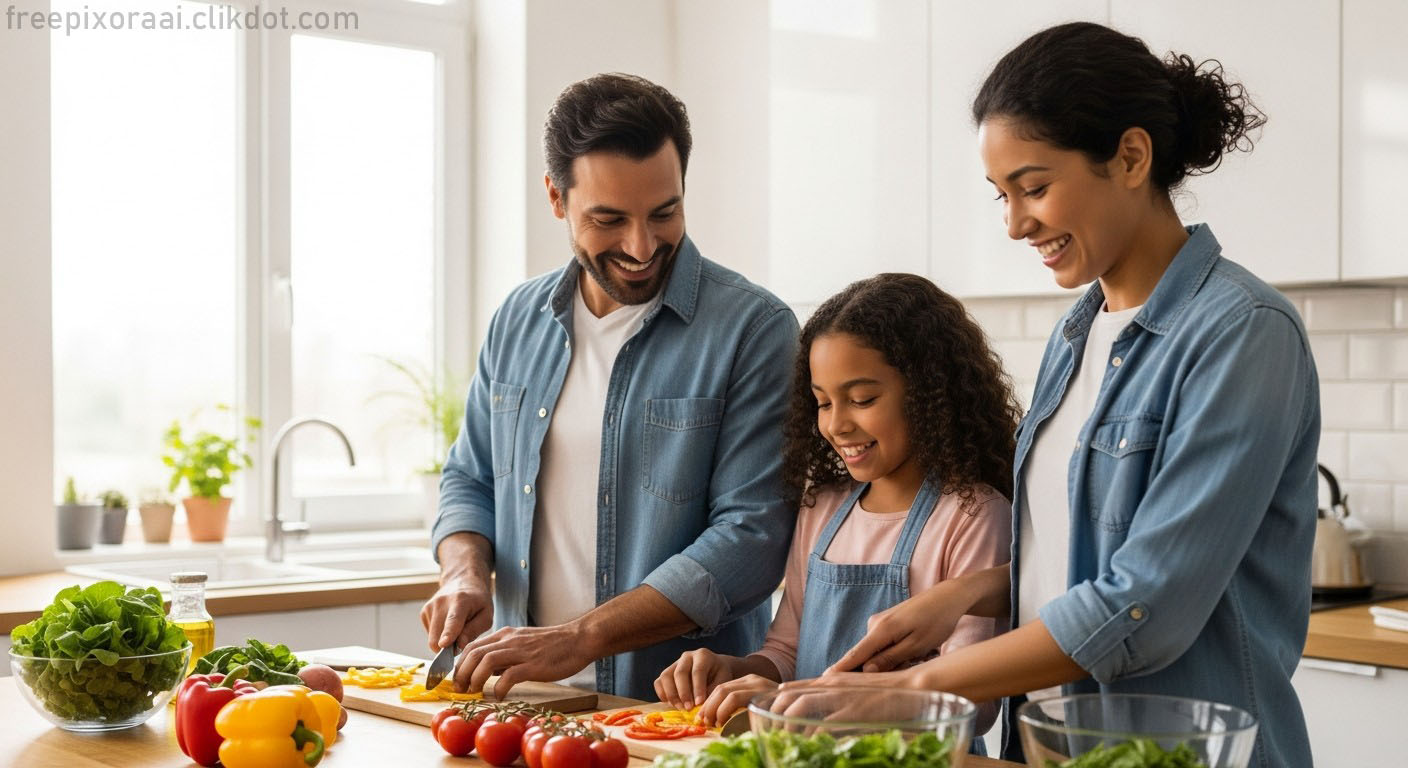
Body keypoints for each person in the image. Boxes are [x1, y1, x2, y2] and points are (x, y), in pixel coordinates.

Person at [808, 22, 1318, 767]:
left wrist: (920, 688)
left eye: (1035, 188)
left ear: (1131, 157)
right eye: (1001, 196)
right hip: (1053, 749)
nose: (1015, 223)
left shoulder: (1243, 333)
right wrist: (964, 596)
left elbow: (1145, 607)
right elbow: (1078, 560)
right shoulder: (1075, 336)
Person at [421, 73, 799, 700]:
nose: (642, 246)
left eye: (664, 212)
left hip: (672, 711)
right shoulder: (518, 319)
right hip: (520, 699)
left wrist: (578, 638)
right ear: (556, 198)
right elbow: (471, 477)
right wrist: (463, 574)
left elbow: (752, 538)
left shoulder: (755, 330)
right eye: (608, 218)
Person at [655, 274, 1018, 748]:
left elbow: (973, 705)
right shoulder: (822, 506)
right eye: (822, 403)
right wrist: (740, 672)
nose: (837, 424)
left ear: (930, 391)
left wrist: (818, 701)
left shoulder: (972, 515)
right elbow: (786, 651)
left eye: (862, 399)